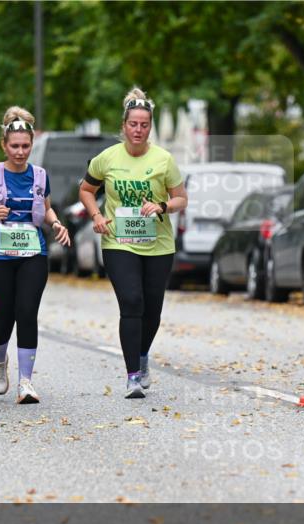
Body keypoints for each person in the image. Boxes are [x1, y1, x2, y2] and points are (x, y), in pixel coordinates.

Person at [79, 88, 188, 399]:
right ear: (123, 126)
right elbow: (86, 190)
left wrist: (163, 206)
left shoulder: (164, 159)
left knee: (151, 310)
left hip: (158, 244)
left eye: (144, 125)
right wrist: (97, 215)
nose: (138, 130)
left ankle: (142, 357)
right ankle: (132, 377)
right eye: (133, 124)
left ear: (149, 127)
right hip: (118, 242)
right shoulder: (108, 158)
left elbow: (181, 198)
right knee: (131, 302)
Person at [0, 106, 70, 404]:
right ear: (4, 145)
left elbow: (46, 207)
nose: (20, 152)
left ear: (32, 144)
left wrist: (56, 223)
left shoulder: (40, 176)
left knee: (26, 312)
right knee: (3, 320)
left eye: (25, 146)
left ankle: (26, 382)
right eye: (15, 146)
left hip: (33, 253)